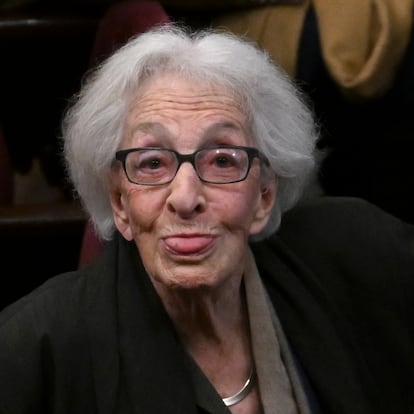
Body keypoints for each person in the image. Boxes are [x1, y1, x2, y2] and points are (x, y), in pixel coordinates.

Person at [0, 24, 413, 414]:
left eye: (221, 160)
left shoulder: (363, 256)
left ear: (264, 196)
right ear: (120, 204)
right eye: (152, 163)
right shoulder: (29, 351)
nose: (185, 197)